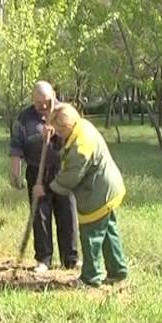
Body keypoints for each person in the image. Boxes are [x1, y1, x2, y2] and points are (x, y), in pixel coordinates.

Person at [33, 103, 128, 287]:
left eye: (59, 132)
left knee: (91, 234)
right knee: (108, 231)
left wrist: (46, 189)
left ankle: (91, 278)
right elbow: (65, 148)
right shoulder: (81, 125)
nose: (59, 135)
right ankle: (118, 271)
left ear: (66, 127)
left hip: (99, 193)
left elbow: (70, 177)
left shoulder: (81, 147)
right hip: (107, 186)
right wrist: (53, 139)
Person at [8, 81, 78, 273]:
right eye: (39, 103)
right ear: (32, 100)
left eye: (47, 101)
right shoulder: (24, 119)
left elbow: (77, 138)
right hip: (36, 171)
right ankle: (44, 259)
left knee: (67, 212)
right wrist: (15, 174)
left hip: (61, 170)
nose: (44, 107)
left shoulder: (65, 112)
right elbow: (16, 149)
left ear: (54, 95)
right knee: (40, 214)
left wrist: (57, 134)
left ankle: (70, 258)